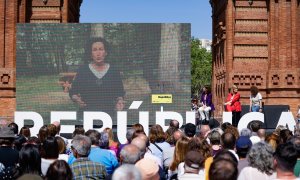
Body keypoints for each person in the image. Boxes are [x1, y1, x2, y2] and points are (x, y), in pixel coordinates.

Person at [69, 37, 125, 117]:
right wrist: (77, 99)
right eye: (94, 50)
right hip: (86, 115)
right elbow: (73, 92)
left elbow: (120, 92)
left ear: (106, 52)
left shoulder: (114, 71)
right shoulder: (82, 71)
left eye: (101, 49)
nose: (98, 53)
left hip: (108, 116)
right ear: (90, 53)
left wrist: (120, 100)